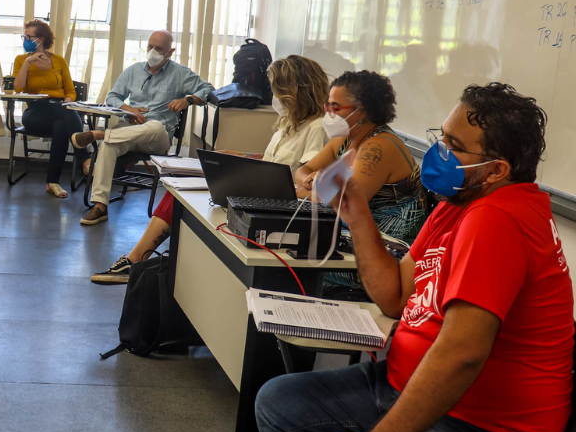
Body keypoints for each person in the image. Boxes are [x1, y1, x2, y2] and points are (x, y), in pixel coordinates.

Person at [206, 82, 574, 432]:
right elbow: (395, 296)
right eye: (440, 138)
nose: (438, 153)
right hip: (408, 388)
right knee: (278, 405)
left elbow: (463, 353)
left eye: (454, 147)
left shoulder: (498, 219)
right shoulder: (456, 206)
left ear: (497, 169)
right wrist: (358, 217)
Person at [91, 53, 329, 282]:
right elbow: (272, 162)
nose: (273, 96)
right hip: (264, 190)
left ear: (293, 92)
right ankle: (137, 259)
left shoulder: (316, 128)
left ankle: (134, 261)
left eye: (276, 89)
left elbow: (307, 182)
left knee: (187, 196)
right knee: (178, 193)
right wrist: (236, 156)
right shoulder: (288, 123)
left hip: (278, 202)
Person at [295, 69, 425, 296]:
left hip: (384, 260)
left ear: (362, 112)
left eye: (336, 107)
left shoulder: (380, 146)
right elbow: (302, 171)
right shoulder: (346, 140)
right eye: (328, 105)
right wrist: (310, 182)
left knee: (289, 266)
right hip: (351, 246)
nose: (328, 113)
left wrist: (303, 190)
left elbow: (344, 203)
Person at [74, 30, 214, 226]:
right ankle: (100, 206)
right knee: (107, 146)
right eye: (150, 46)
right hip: (128, 131)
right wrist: (128, 109)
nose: (152, 52)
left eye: (159, 49)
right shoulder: (133, 70)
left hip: (157, 138)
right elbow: (112, 97)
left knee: (155, 126)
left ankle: (101, 134)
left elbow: (209, 90)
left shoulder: (180, 73)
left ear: (170, 52)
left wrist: (187, 100)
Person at [11, 19, 84, 199]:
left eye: (29, 37)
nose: (25, 40)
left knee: (61, 125)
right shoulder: (21, 60)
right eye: (24, 36)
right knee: (66, 115)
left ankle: (53, 182)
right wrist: (28, 62)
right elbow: (18, 88)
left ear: (41, 39)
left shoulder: (59, 61)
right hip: (35, 112)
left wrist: (67, 103)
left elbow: (71, 92)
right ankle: (85, 158)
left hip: (59, 108)